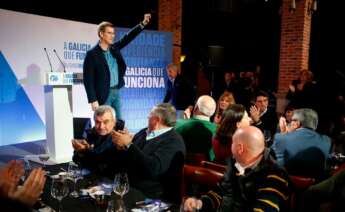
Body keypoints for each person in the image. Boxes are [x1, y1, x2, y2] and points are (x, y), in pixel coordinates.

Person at [72, 103, 186, 200]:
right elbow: (117, 156)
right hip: (125, 186)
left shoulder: (173, 141)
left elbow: (153, 168)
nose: (147, 117)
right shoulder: (144, 133)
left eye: (149, 116)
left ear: (156, 120)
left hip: (149, 195)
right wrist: (86, 151)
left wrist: (128, 145)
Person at [183, 126, 291, 212]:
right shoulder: (235, 164)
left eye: (232, 143)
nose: (231, 147)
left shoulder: (275, 174)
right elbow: (220, 192)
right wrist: (200, 203)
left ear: (240, 148)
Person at [83, 13, 151, 120]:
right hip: (103, 93)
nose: (112, 35)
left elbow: (128, 37)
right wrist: (92, 100)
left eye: (113, 33)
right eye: (109, 33)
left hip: (116, 91)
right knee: (105, 123)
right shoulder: (92, 54)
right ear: (101, 34)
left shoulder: (114, 48)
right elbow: (88, 80)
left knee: (119, 121)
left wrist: (142, 24)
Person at [271, 108, 331, 178]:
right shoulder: (327, 140)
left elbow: (271, 155)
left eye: (292, 121)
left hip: (288, 183)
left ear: (297, 123)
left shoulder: (282, 138)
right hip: (316, 184)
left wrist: (284, 134)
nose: (290, 123)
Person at [175, 95, 217, 160]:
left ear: (196, 107)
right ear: (213, 111)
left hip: (180, 167)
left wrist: (185, 121)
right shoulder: (219, 130)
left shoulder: (177, 123)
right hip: (209, 168)